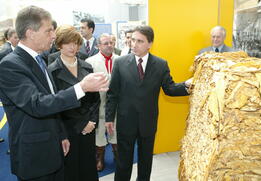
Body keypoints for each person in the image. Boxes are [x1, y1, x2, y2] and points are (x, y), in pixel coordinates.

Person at [0, 6, 108, 181]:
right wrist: (81, 87)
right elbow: (38, 104)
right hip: (36, 156)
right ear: (30, 32)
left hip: (53, 148)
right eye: (49, 30)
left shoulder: (38, 60)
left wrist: (61, 135)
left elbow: (52, 101)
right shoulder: (11, 65)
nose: (53, 35)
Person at [105, 25, 190, 181]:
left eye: (140, 41)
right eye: (132, 40)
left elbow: (170, 89)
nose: (134, 44)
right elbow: (113, 93)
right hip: (125, 121)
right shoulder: (120, 63)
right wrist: (109, 118)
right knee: (124, 162)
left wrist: (188, 85)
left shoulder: (160, 64)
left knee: (145, 162)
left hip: (148, 122)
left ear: (150, 44)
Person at [48, 25, 99, 181]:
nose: (72, 47)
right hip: (67, 129)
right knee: (70, 170)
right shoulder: (52, 71)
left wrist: (92, 121)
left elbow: (95, 99)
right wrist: (82, 123)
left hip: (88, 128)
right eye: (67, 43)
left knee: (88, 167)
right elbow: (55, 102)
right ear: (59, 44)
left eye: (75, 43)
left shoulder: (87, 67)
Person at [86, 33, 118, 172]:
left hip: (116, 102)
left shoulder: (121, 60)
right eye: (106, 43)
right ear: (98, 45)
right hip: (98, 101)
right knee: (99, 130)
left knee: (116, 128)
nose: (109, 45)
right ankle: (100, 157)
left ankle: (118, 154)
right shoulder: (90, 62)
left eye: (111, 42)